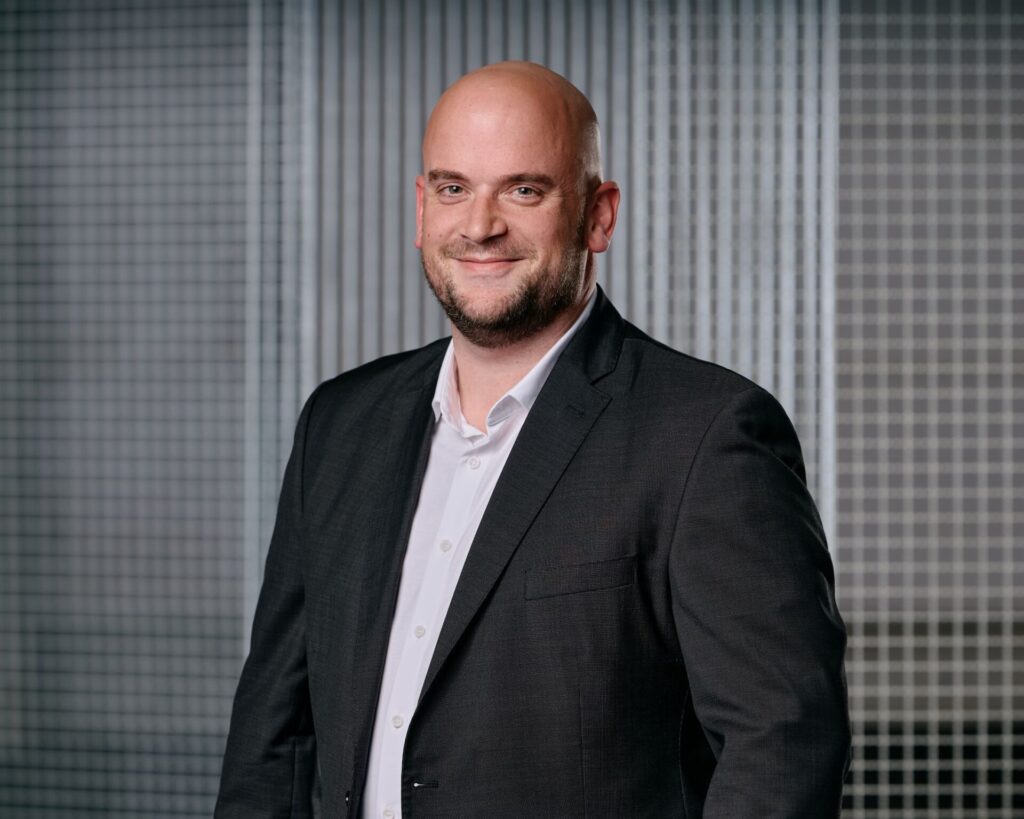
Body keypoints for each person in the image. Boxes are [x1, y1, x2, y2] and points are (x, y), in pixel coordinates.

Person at [215, 61, 850, 818]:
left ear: (598, 216)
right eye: (454, 188)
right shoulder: (339, 424)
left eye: (523, 190)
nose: (480, 225)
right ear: (421, 208)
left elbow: (782, 744)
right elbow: (273, 740)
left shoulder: (704, 437)